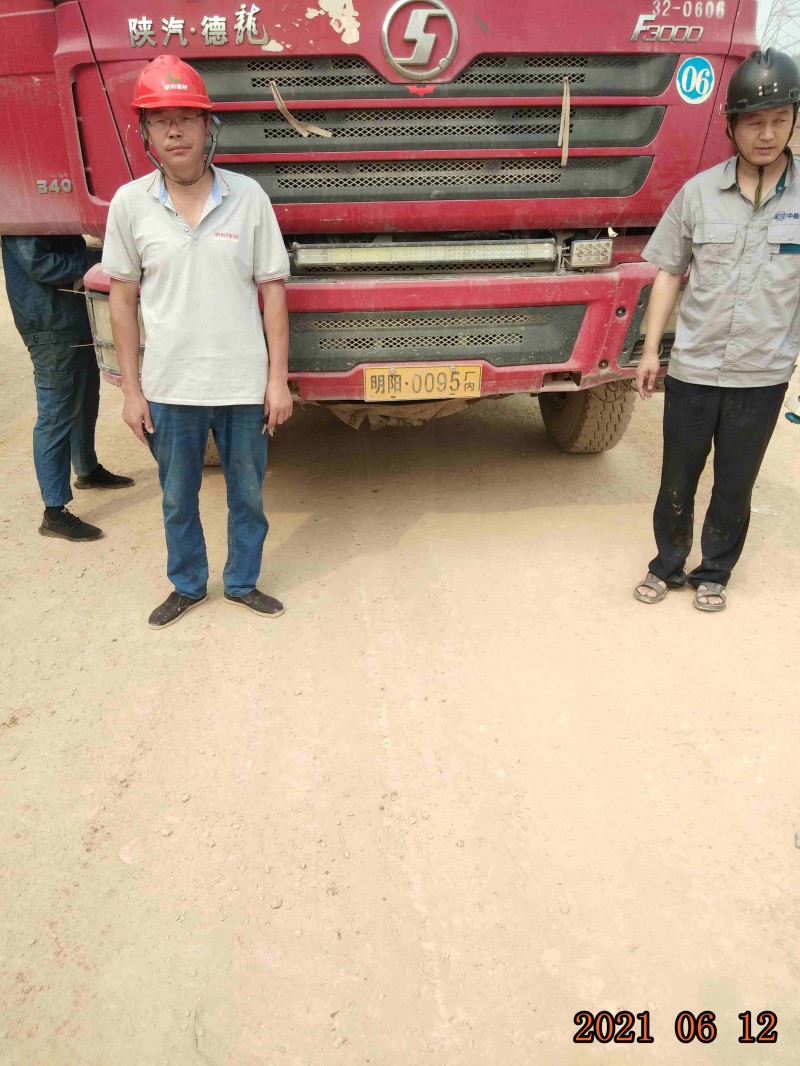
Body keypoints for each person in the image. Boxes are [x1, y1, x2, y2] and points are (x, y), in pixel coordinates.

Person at [103, 55, 292, 630]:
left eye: (187, 118)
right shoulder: (129, 204)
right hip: (170, 386)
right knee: (177, 498)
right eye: (161, 120)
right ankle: (187, 584)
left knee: (248, 496)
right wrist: (132, 391)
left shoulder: (248, 197)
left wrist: (277, 380)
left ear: (209, 127)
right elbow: (122, 300)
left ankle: (241, 582)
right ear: (145, 133)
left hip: (242, 384)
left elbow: (273, 291)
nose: (175, 131)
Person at [633, 48, 800, 613]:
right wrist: (650, 350)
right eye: (754, 121)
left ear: (794, 121)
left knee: (736, 481)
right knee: (677, 474)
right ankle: (666, 564)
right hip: (695, 366)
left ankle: (715, 571)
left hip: (764, 372)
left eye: (779, 119)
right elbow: (668, 272)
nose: (767, 134)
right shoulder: (699, 193)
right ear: (731, 126)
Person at [2, 236, 134, 540]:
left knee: (86, 398)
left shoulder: (46, 211)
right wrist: (95, 262)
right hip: (49, 326)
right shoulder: (21, 217)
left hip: (71, 316)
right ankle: (54, 513)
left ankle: (87, 469)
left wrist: (98, 255)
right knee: (56, 414)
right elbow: (40, 265)